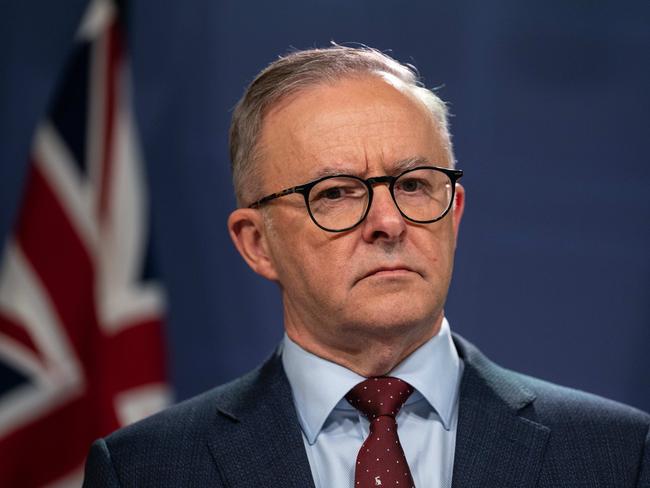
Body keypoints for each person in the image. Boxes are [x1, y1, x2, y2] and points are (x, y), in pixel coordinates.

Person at [83, 45, 650, 487]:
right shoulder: (145, 470)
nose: (388, 221)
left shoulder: (616, 455)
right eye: (335, 194)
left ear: (453, 214)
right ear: (257, 243)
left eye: (413, 184)